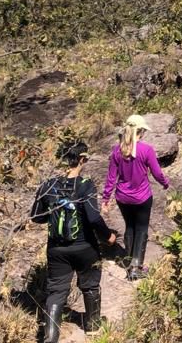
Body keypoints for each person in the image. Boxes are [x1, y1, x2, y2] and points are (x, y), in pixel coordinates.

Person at [30, 141, 116, 343]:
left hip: (57, 249)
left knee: (56, 291)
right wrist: (108, 236)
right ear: (82, 159)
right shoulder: (85, 185)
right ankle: (93, 327)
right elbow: (93, 218)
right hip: (85, 247)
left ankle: (51, 337)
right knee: (90, 285)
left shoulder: (48, 185)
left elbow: (36, 217)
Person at [101, 114, 169, 281]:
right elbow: (157, 172)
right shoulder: (146, 150)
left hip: (122, 198)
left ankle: (130, 261)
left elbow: (111, 178)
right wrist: (165, 183)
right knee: (142, 229)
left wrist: (105, 199)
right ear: (141, 131)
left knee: (129, 227)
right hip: (142, 197)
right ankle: (136, 267)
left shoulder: (117, 150)